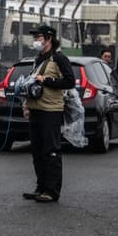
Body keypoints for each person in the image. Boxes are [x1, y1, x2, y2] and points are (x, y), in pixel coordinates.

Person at [23, 24, 76, 203]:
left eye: (38, 37)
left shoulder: (59, 58)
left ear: (48, 38)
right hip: (36, 109)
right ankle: (41, 186)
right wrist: (26, 105)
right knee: (37, 150)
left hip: (51, 110)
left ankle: (52, 190)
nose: (35, 41)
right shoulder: (38, 59)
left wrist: (47, 80)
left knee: (51, 150)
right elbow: (32, 83)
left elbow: (70, 81)